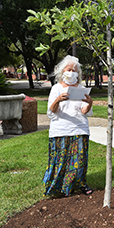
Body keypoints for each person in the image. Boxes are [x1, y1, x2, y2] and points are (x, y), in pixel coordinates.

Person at [43, 55, 94, 197]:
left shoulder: (81, 88)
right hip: (61, 129)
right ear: (62, 71)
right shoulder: (56, 89)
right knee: (60, 160)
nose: (71, 72)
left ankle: (80, 184)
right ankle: (57, 186)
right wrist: (58, 100)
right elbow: (51, 111)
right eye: (69, 69)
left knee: (79, 159)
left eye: (74, 70)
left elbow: (84, 111)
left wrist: (89, 103)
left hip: (79, 128)